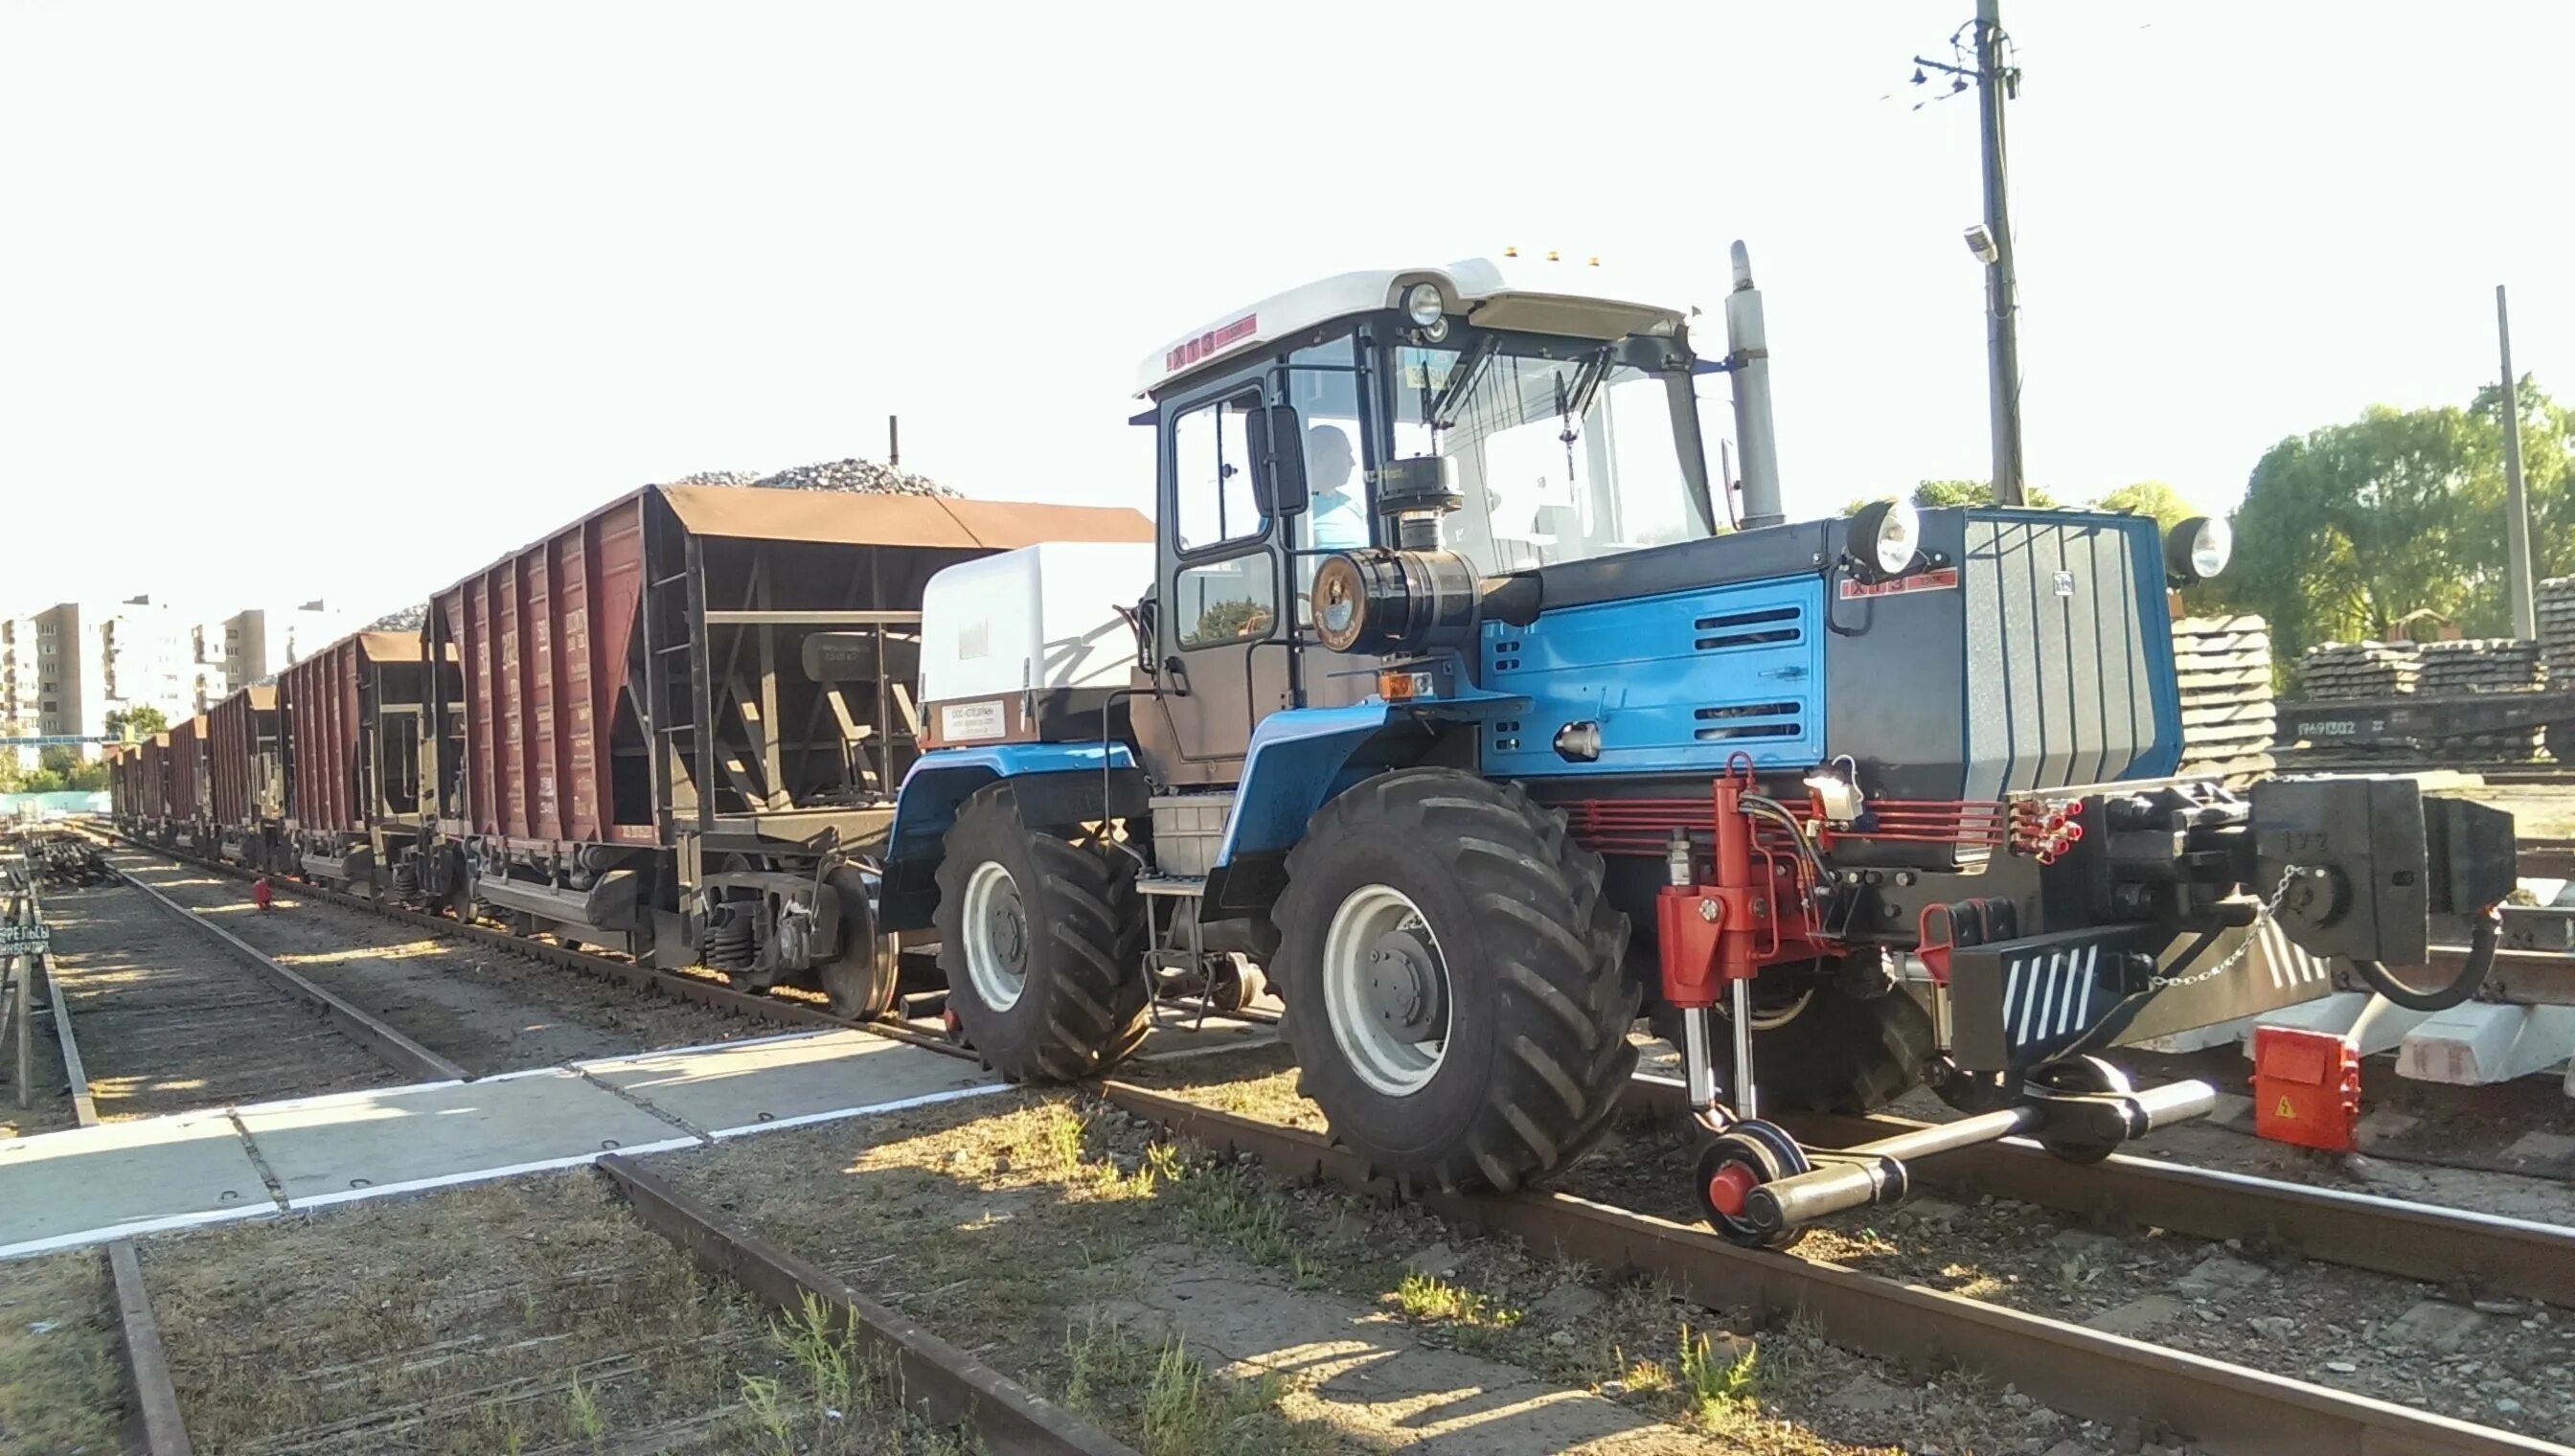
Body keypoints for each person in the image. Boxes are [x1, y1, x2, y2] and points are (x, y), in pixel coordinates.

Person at [1304, 424, 1370, 550]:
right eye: (1347, 454)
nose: (1353, 462)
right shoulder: (1292, 511)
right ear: (1323, 456)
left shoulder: (1353, 507)